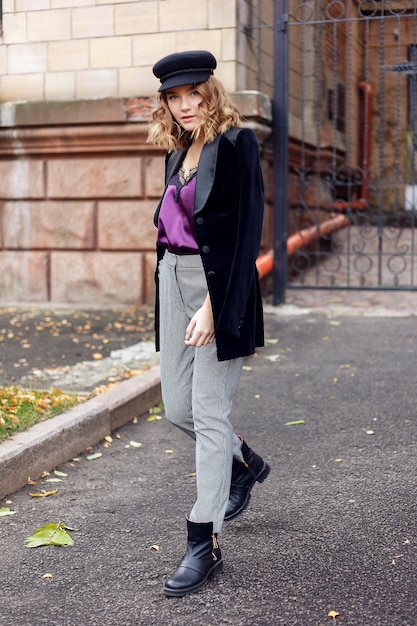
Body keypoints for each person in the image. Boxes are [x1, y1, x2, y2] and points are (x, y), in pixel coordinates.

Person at [147, 50, 270, 597]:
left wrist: (217, 305)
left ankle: (204, 542)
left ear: (211, 91)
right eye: (174, 97)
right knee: (177, 407)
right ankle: (241, 464)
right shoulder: (179, 150)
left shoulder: (238, 144)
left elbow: (247, 233)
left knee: (208, 411)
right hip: (172, 281)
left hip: (216, 288)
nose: (185, 105)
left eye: (193, 93)